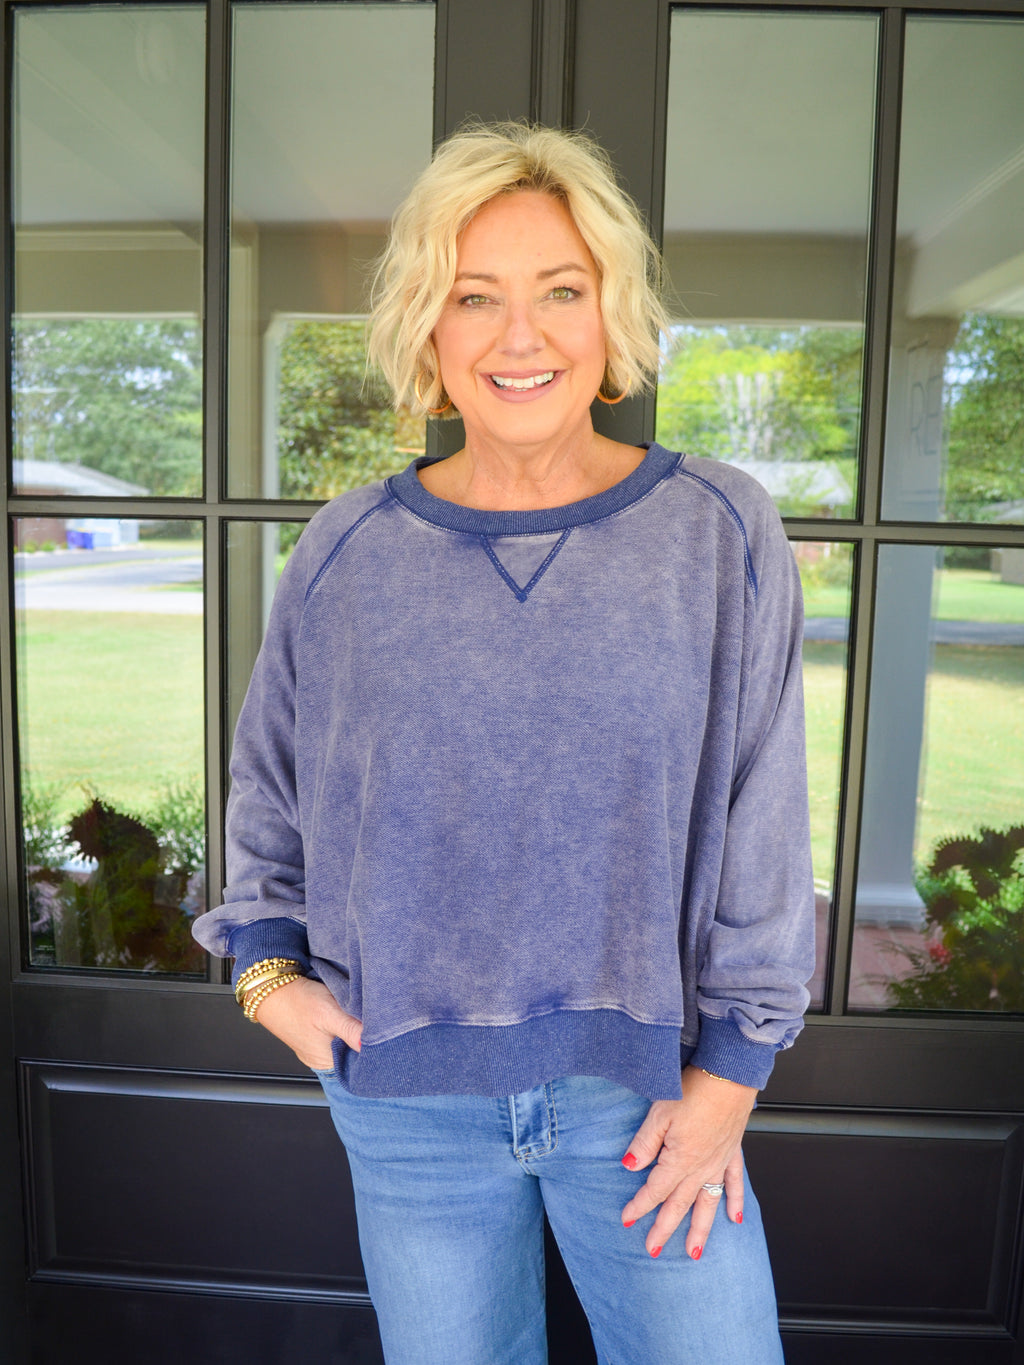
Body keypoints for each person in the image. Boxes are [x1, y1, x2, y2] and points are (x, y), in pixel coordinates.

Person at [194, 121, 814, 1365]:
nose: (518, 336)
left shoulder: (717, 531)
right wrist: (268, 979)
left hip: (648, 1099)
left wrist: (731, 1078)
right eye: (475, 296)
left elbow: (764, 812)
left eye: (560, 292)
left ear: (611, 315)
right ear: (428, 325)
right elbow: (268, 787)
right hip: (407, 1106)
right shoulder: (347, 550)